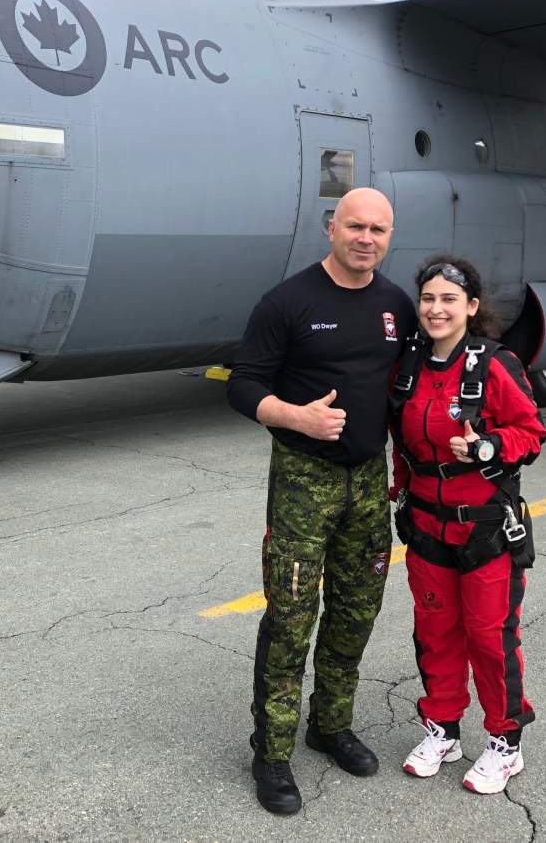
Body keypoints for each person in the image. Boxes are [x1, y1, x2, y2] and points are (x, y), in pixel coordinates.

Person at [227, 187, 415, 815]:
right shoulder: (288, 302)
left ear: (389, 237)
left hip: (369, 479)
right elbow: (242, 382)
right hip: (304, 479)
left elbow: (413, 384)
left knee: (356, 612)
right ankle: (272, 752)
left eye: (379, 230)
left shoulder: (395, 305)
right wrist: (293, 417)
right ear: (332, 227)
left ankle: (330, 726)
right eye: (356, 226)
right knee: (290, 618)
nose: (367, 238)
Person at [389, 255, 546, 795]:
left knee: (490, 637)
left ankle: (506, 742)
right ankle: (442, 729)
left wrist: (488, 446)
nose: (436, 309)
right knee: (435, 633)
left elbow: (532, 431)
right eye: (428, 299)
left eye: (448, 300)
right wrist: (399, 494)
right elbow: (400, 442)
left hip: (484, 530)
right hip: (427, 528)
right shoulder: (408, 366)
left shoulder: (495, 365)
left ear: (471, 307)